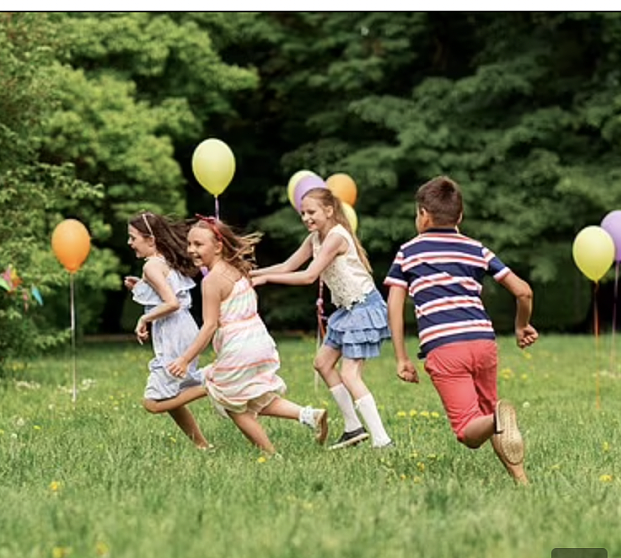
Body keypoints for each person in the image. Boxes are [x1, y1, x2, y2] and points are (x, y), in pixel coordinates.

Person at [384, 176, 538, 484]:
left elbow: (394, 306)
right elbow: (523, 292)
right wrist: (521, 326)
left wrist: (401, 358)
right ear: (460, 216)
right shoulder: (476, 249)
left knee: (469, 431)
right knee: (488, 416)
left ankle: (498, 418)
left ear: (423, 214)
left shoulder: (409, 252)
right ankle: (522, 480)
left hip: (445, 347)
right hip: (483, 342)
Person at [167, 216, 329, 455]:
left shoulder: (211, 281)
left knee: (231, 402)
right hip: (259, 341)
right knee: (253, 396)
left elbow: (210, 325)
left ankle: (271, 456)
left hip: (238, 347)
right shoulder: (238, 269)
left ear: (218, 246)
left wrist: (184, 359)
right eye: (189, 244)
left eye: (198, 244)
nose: (191, 250)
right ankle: (308, 415)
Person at [250, 187, 393, 450]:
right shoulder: (315, 238)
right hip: (347, 310)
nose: (306, 217)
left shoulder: (336, 237)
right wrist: (250, 274)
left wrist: (266, 279)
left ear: (329, 211)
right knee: (323, 363)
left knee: (350, 375)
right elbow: (287, 266)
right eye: (302, 213)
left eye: (311, 212)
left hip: (363, 308)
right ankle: (353, 428)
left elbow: (308, 275)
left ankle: (382, 440)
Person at [125, 212, 210, 449]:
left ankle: (212, 385)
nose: (130, 243)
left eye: (133, 238)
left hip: (174, 333)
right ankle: (202, 445)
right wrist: (140, 286)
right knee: (170, 396)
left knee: (153, 402)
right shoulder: (162, 261)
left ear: (150, 240)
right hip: (182, 329)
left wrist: (145, 318)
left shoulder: (152, 265)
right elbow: (168, 293)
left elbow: (171, 302)